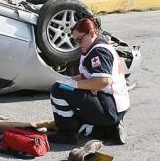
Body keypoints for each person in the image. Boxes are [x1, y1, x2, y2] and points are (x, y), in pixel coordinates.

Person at [48, 16, 130, 145]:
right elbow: (88, 75)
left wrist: (73, 84)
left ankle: (68, 134)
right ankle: (108, 130)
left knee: (57, 90)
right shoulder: (96, 45)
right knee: (64, 88)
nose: (78, 44)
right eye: (75, 41)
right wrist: (68, 80)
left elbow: (103, 81)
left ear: (92, 33)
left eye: (80, 39)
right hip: (112, 105)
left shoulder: (98, 52)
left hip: (109, 107)